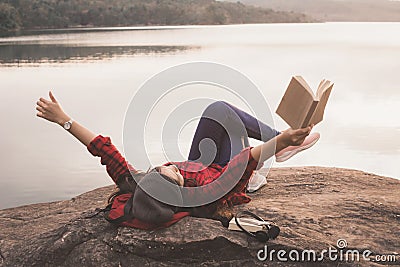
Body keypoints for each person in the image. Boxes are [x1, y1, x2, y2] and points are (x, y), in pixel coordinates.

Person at [36, 91, 319, 229]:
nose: (168, 166)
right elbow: (244, 160)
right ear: (179, 192)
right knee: (225, 115)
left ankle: (272, 152)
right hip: (225, 171)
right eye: (171, 174)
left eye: (161, 169)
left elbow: (106, 152)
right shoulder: (207, 191)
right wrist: (283, 140)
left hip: (203, 162)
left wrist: (64, 120)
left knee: (216, 108)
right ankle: (276, 151)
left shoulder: (142, 187)